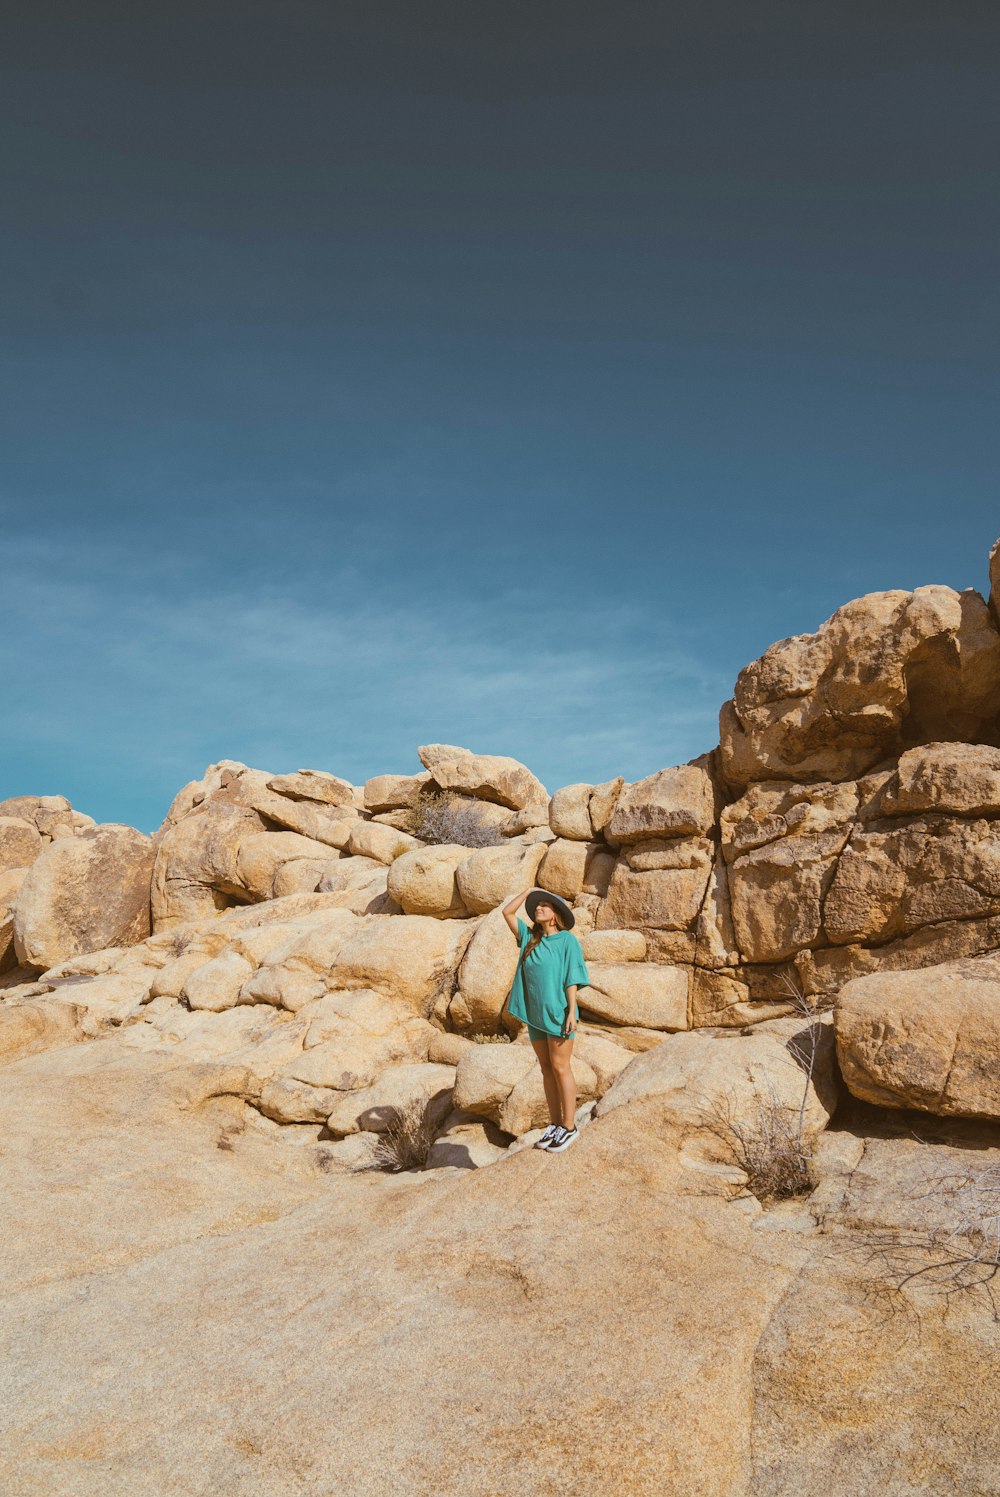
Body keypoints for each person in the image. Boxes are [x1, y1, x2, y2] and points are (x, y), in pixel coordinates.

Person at [501, 884, 591, 1152]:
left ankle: (569, 1126)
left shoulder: (567, 941)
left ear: (555, 914)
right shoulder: (529, 938)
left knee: (561, 1067)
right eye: (536, 906)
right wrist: (528, 891)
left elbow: (572, 976)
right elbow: (507, 912)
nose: (538, 908)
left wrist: (572, 1011)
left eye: (544, 905)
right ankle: (555, 1124)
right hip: (536, 1015)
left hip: (560, 1013)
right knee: (546, 1068)